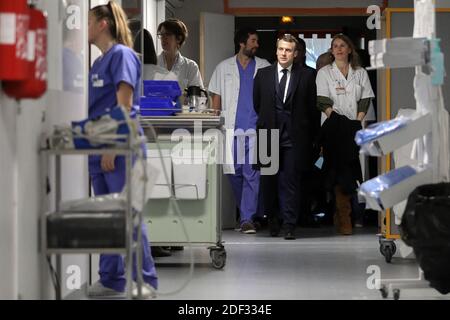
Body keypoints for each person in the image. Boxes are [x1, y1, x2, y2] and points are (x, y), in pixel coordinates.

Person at [86, 1, 158, 298]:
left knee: (128, 214)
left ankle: (145, 281)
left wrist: (113, 146)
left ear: (103, 24)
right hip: (98, 146)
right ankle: (111, 278)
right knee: (107, 216)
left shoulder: (122, 56)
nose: (85, 28)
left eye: (89, 22)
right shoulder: (98, 62)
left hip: (120, 147)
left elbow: (124, 105)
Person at [253, 34, 320, 240]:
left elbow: (312, 110)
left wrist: (313, 139)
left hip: (295, 137)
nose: (284, 53)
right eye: (281, 49)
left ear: (295, 53)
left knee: (290, 182)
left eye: (288, 50)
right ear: (276, 50)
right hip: (267, 135)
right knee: (268, 182)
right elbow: (258, 103)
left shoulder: (307, 76)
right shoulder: (263, 75)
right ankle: (273, 220)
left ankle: (290, 224)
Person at [209, 28, 270, 234]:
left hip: (255, 129)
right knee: (233, 173)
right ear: (242, 43)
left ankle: (246, 219)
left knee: (252, 174)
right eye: (253, 41)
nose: (257, 45)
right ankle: (252, 213)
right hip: (230, 129)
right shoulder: (223, 67)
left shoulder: (264, 66)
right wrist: (214, 125)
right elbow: (215, 99)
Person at [316, 34, 375, 235]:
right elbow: (323, 101)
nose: (339, 49)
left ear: (350, 49)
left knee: (351, 171)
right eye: (335, 46)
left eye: (343, 45)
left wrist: (356, 122)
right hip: (332, 126)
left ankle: (344, 215)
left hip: (354, 126)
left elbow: (365, 99)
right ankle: (344, 217)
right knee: (338, 171)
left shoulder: (360, 73)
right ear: (331, 51)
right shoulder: (325, 73)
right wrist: (338, 122)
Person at [156, 18, 204, 91]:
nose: (163, 38)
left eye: (167, 34)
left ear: (179, 38)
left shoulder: (190, 66)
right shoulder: (152, 64)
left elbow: (197, 96)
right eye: (161, 35)